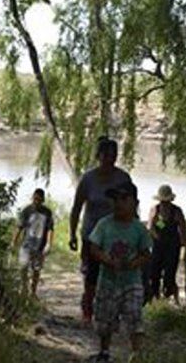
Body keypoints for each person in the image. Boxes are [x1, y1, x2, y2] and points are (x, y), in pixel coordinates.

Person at [69, 136, 133, 323]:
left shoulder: (122, 178)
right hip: (91, 234)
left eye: (113, 156)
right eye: (106, 155)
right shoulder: (88, 179)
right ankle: (88, 311)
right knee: (91, 275)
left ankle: (111, 311)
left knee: (115, 273)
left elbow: (131, 205)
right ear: (98, 156)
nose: (109, 159)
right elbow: (77, 207)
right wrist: (73, 233)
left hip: (116, 234)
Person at [88, 182, 151, 362]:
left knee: (134, 316)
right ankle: (105, 351)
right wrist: (107, 259)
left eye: (124, 198)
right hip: (107, 281)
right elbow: (94, 247)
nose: (118, 203)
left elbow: (146, 254)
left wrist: (133, 263)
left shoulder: (138, 228)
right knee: (105, 320)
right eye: (115, 199)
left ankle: (137, 354)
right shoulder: (104, 224)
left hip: (132, 282)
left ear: (134, 202)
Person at [147, 185, 186, 304]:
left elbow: (183, 231)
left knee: (170, 273)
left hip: (172, 246)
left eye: (166, 201)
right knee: (154, 273)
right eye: (162, 201)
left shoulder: (176, 211)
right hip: (158, 245)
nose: (164, 203)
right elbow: (150, 227)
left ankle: (170, 297)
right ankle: (155, 297)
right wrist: (155, 235)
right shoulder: (155, 209)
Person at [13, 188, 54, 296]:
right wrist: (14, 242)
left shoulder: (47, 212)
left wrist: (49, 244)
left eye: (39, 200)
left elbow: (50, 229)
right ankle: (24, 288)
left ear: (43, 200)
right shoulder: (27, 210)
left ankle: (33, 292)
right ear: (32, 198)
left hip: (40, 246)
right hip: (26, 245)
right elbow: (19, 227)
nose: (36, 202)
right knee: (23, 267)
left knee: (36, 270)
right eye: (35, 199)